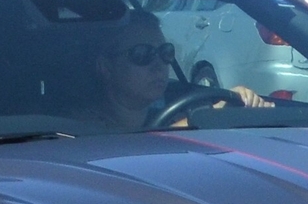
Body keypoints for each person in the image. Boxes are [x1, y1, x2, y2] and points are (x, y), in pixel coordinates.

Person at [85, 8, 267, 131]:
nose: (159, 65)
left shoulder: (177, 110)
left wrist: (244, 102)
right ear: (106, 67)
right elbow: (126, 151)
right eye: (142, 54)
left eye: (165, 52)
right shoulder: (79, 130)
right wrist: (207, 118)